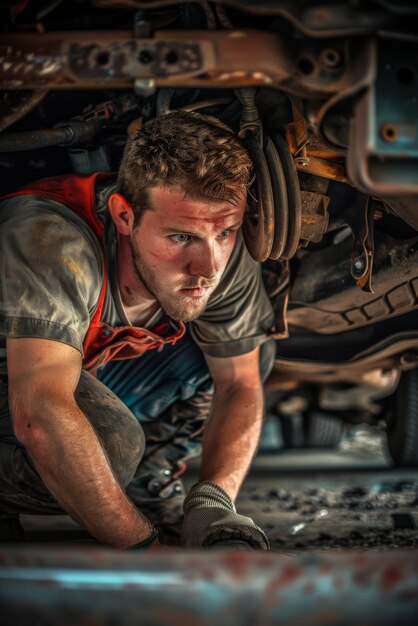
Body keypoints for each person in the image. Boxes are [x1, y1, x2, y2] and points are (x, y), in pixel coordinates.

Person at [0, 111, 275, 550]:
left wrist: (213, 502)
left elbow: (238, 383)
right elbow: (38, 412)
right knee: (114, 442)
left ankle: (145, 485)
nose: (208, 268)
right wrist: (145, 551)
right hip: (20, 381)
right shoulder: (51, 238)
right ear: (124, 216)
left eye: (225, 231)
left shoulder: (219, 255)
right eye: (181, 237)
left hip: (75, 370)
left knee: (246, 352)